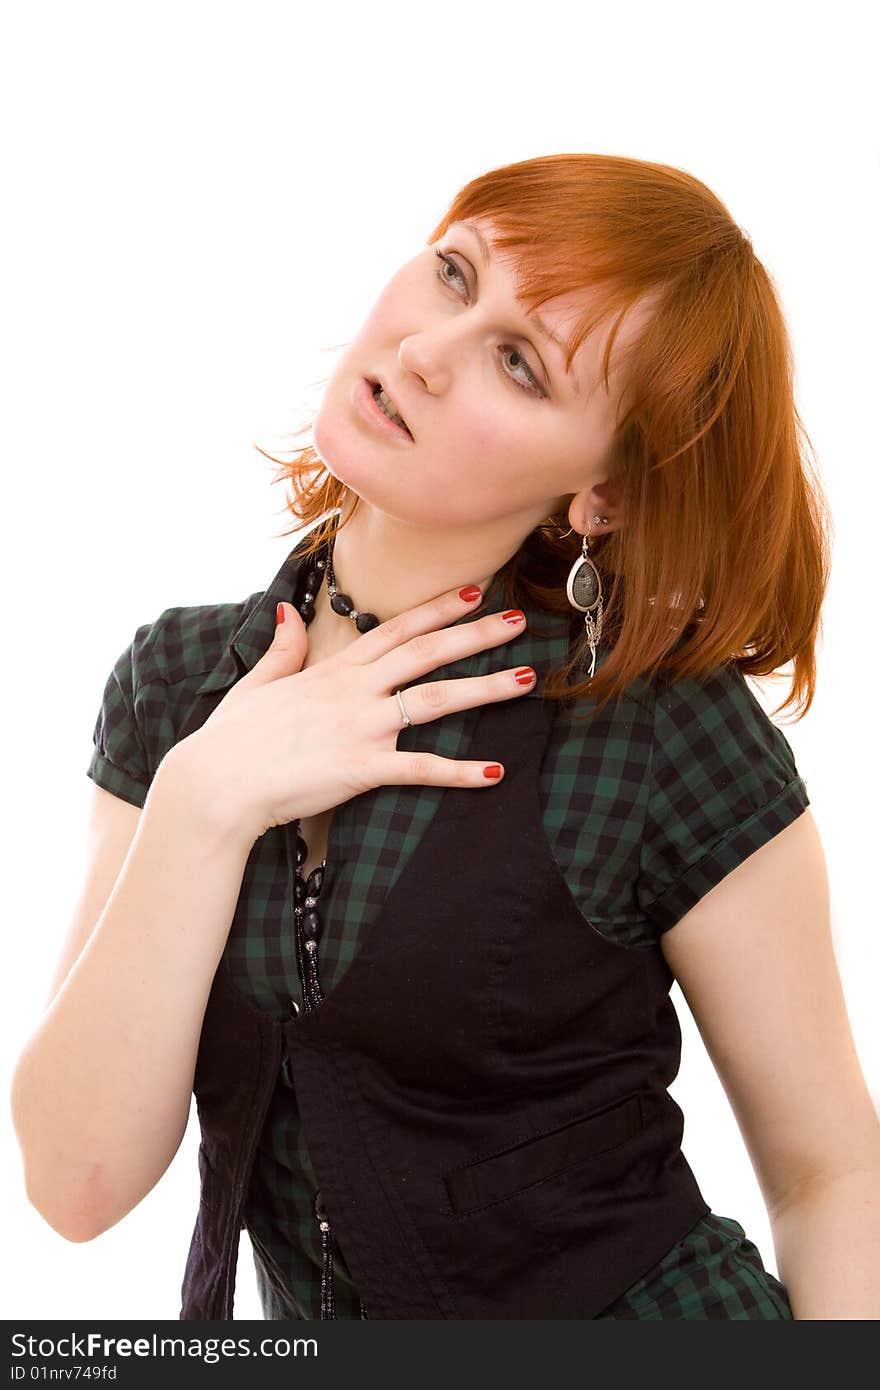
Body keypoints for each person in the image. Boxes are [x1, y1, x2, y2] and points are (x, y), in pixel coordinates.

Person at [11, 152, 880, 1321]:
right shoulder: (176, 687)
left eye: (518, 364)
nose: (425, 350)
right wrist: (203, 801)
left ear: (602, 496)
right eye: (453, 274)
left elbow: (831, 1173)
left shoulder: (657, 730)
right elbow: (76, 1185)